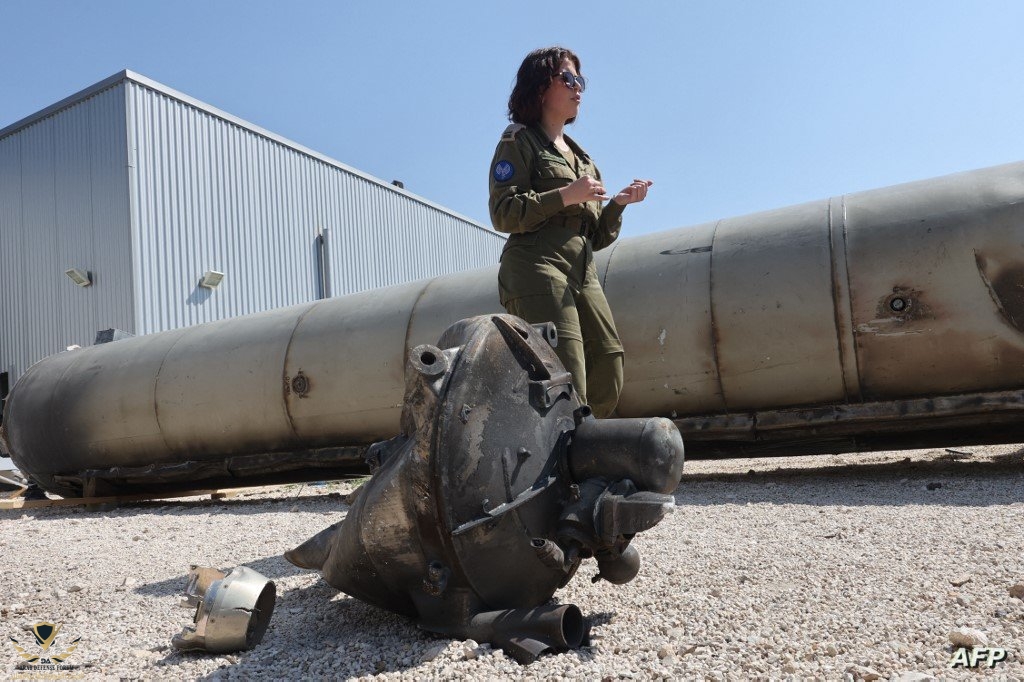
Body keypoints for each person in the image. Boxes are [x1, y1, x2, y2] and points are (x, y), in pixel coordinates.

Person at [489, 46, 652, 418]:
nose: (578, 86)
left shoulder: (583, 160)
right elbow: (503, 213)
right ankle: (566, 450)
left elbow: (594, 237)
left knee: (608, 363)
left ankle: (581, 440)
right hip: (537, 264)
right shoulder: (519, 141)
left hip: (581, 269)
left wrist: (618, 205)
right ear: (540, 86)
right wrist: (565, 195)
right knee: (568, 372)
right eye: (568, 78)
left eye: (581, 80)